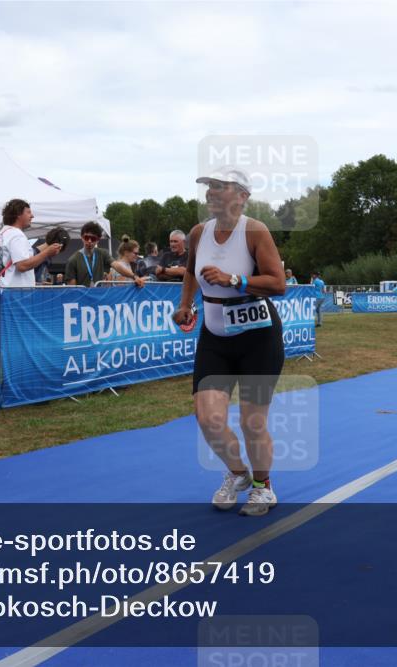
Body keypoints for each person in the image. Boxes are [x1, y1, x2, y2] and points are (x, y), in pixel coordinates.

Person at [173, 168, 286, 517]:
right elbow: (191, 271)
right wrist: (185, 306)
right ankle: (238, 474)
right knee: (207, 417)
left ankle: (262, 487)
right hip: (215, 336)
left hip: (258, 338)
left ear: (241, 195)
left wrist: (233, 279)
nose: (210, 194)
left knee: (252, 422)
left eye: (219, 188)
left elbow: (278, 284)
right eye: (208, 188)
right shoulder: (198, 233)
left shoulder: (254, 230)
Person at [0, 199, 62, 288]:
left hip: (7, 290)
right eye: (28, 212)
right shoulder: (16, 235)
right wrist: (47, 253)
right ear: (18, 214)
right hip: (19, 294)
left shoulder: (4, 233)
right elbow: (22, 265)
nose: (32, 216)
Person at [65, 221, 112, 287]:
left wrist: (131, 275)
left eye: (93, 239)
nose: (89, 241)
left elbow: (115, 265)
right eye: (86, 238)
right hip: (82, 296)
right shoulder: (72, 260)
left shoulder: (103, 254)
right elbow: (72, 289)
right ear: (82, 237)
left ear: (98, 240)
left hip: (99, 295)